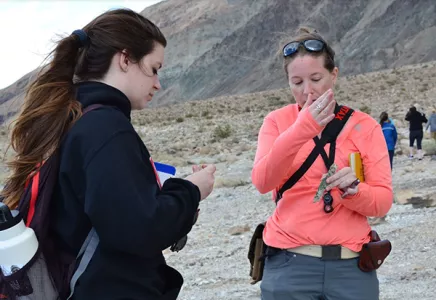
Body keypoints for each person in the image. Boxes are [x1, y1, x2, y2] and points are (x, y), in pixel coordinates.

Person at [1, 9, 216, 300]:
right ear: (125, 59)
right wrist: (191, 190)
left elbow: (106, 214)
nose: (158, 83)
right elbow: (139, 230)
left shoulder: (71, 119)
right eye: (154, 68)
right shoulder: (105, 128)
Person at [251, 27, 393, 300]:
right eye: (297, 82)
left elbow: (383, 201)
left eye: (316, 79)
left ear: (334, 75)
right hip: (289, 264)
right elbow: (262, 181)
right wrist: (301, 129)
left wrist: (355, 191)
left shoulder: (365, 126)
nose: (308, 91)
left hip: (351, 268)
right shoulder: (277, 122)